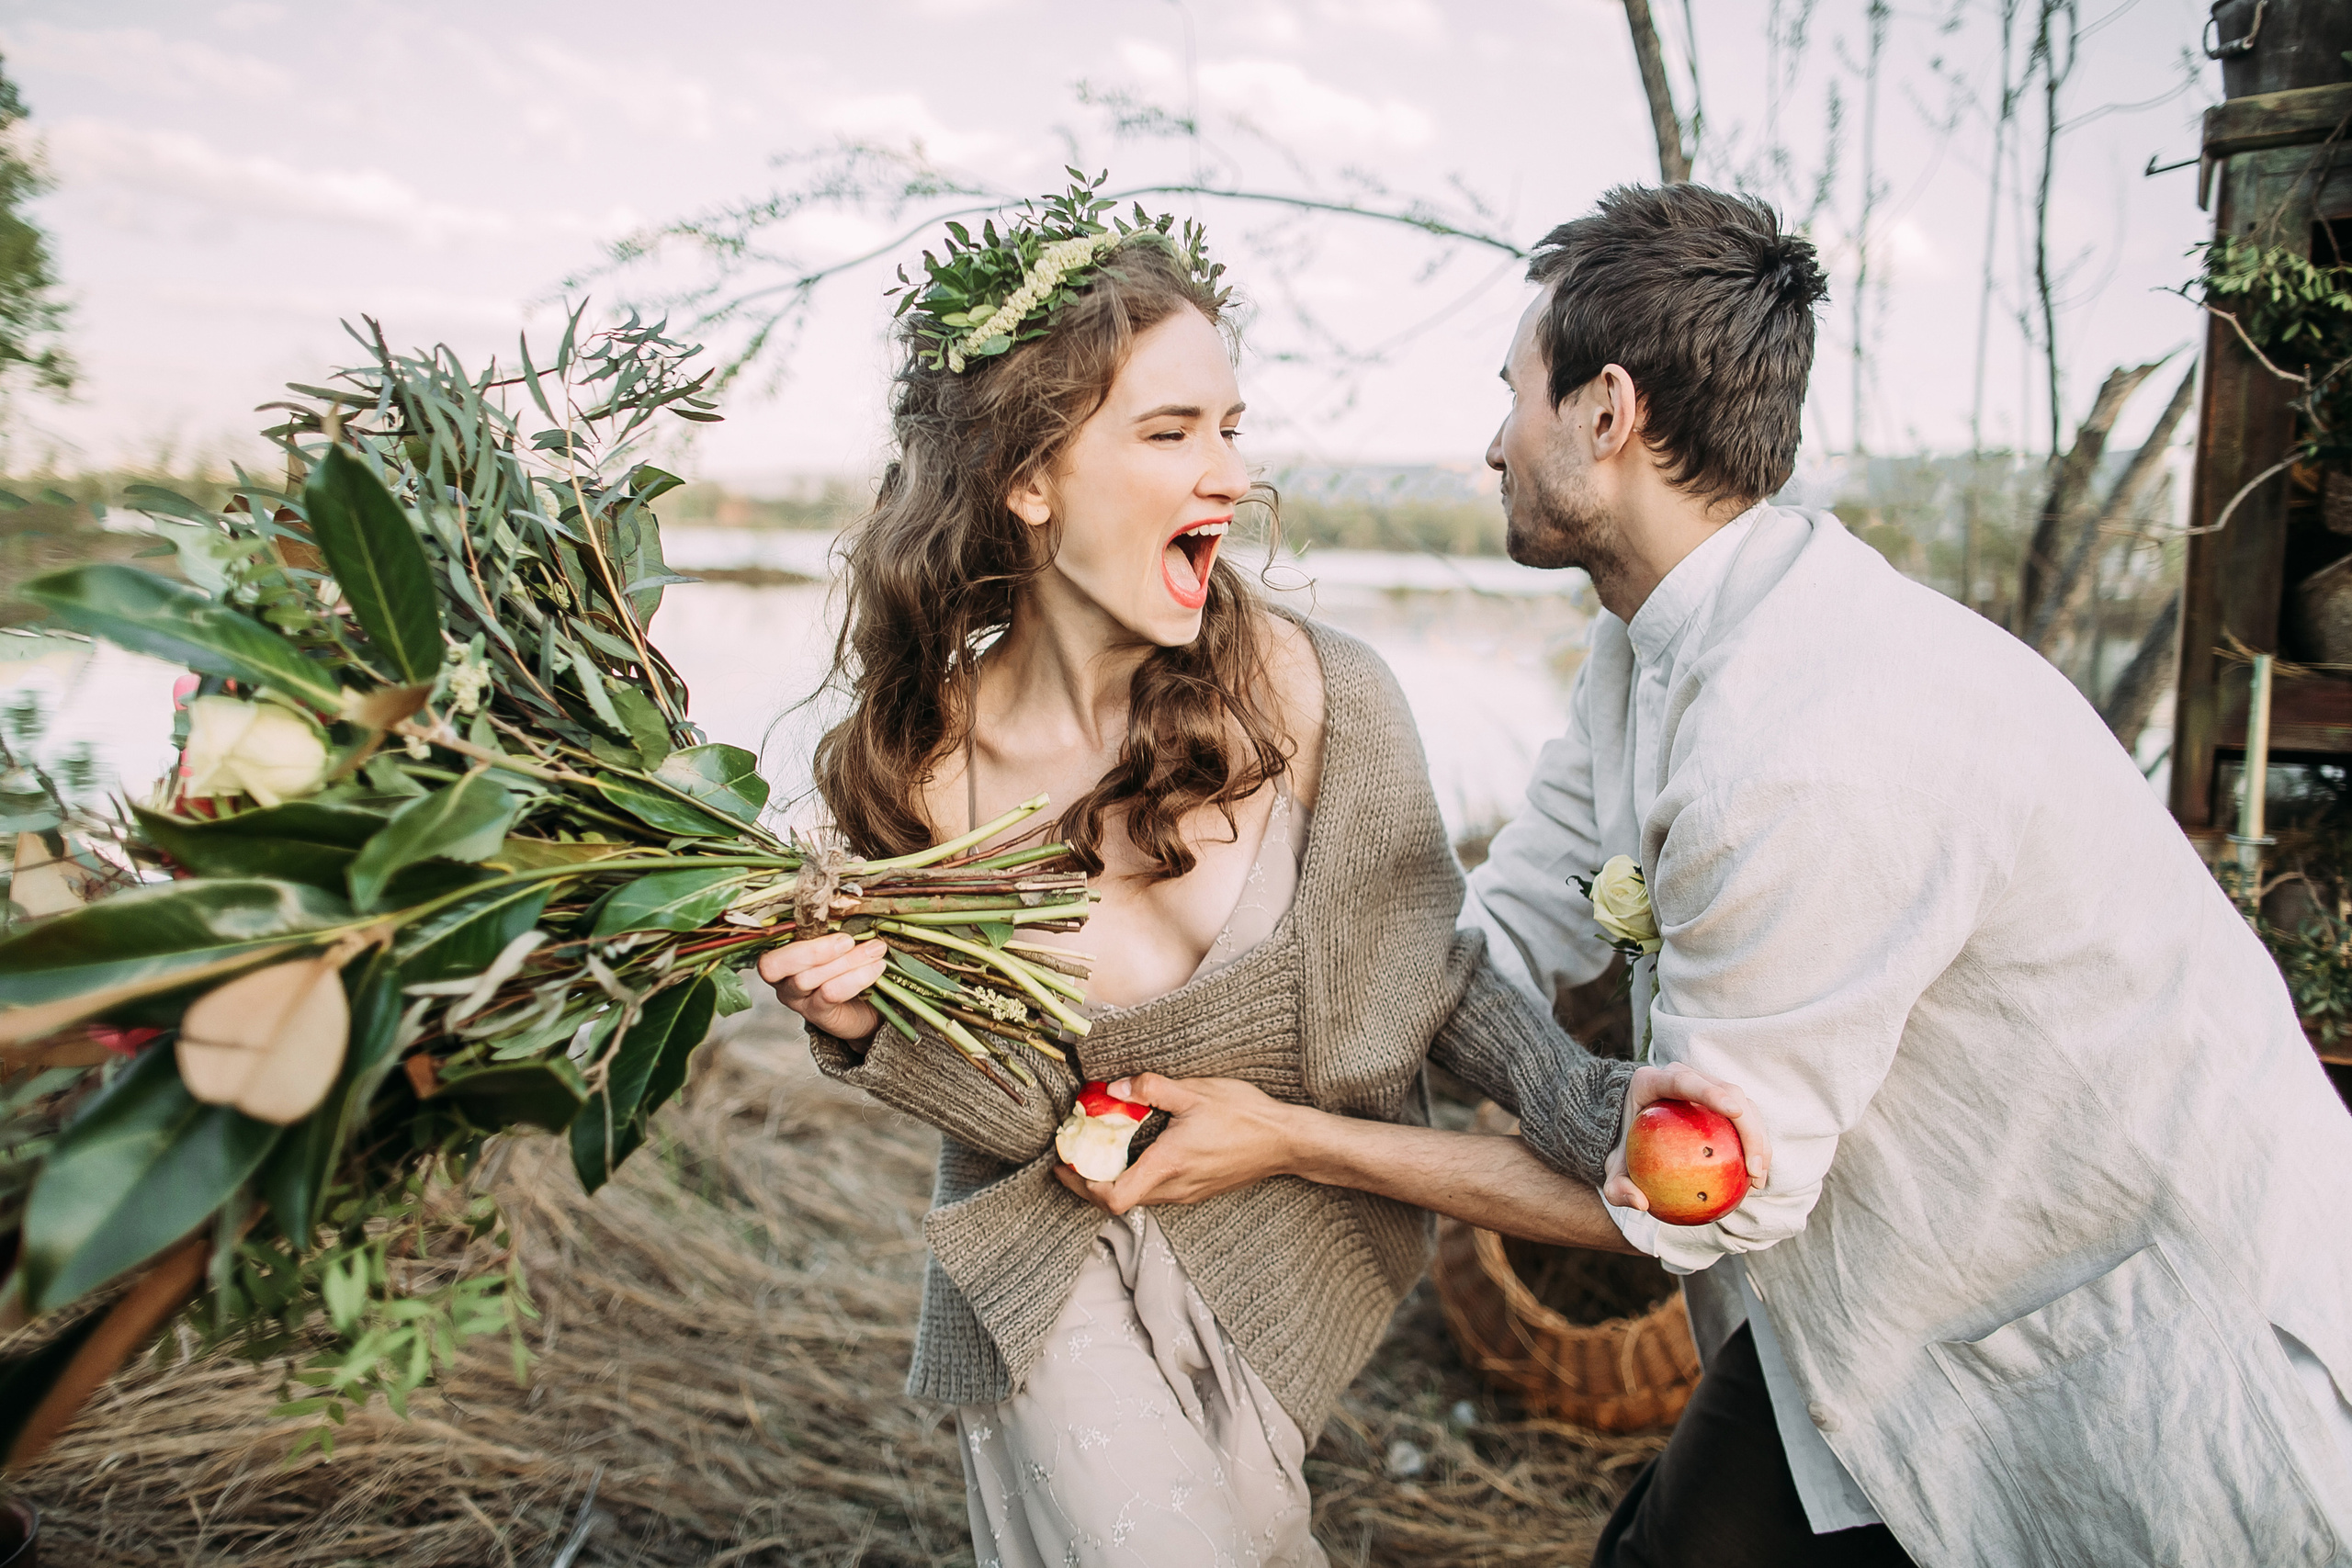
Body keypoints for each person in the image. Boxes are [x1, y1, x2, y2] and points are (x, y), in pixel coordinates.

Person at [1066, 183, 2352, 1567]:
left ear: (1608, 415)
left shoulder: (1806, 749)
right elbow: (1496, 924)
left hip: (2130, 1350)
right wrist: (1224, 961)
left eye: (1515, 395)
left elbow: (1685, 1203)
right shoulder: (1656, 645)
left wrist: (1294, 1137)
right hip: (1895, 1312)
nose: (1493, 446)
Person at [754, 183, 1758, 1568]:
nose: (1227, 472)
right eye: (1170, 432)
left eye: (1229, 426)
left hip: (1266, 1263)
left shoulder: (1308, 693)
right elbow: (1011, 1110)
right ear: (1027, 477)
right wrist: (864, 1027)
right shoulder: (920, 774)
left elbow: (1428, 976)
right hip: (1048, 1269)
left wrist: (1590, 1113)